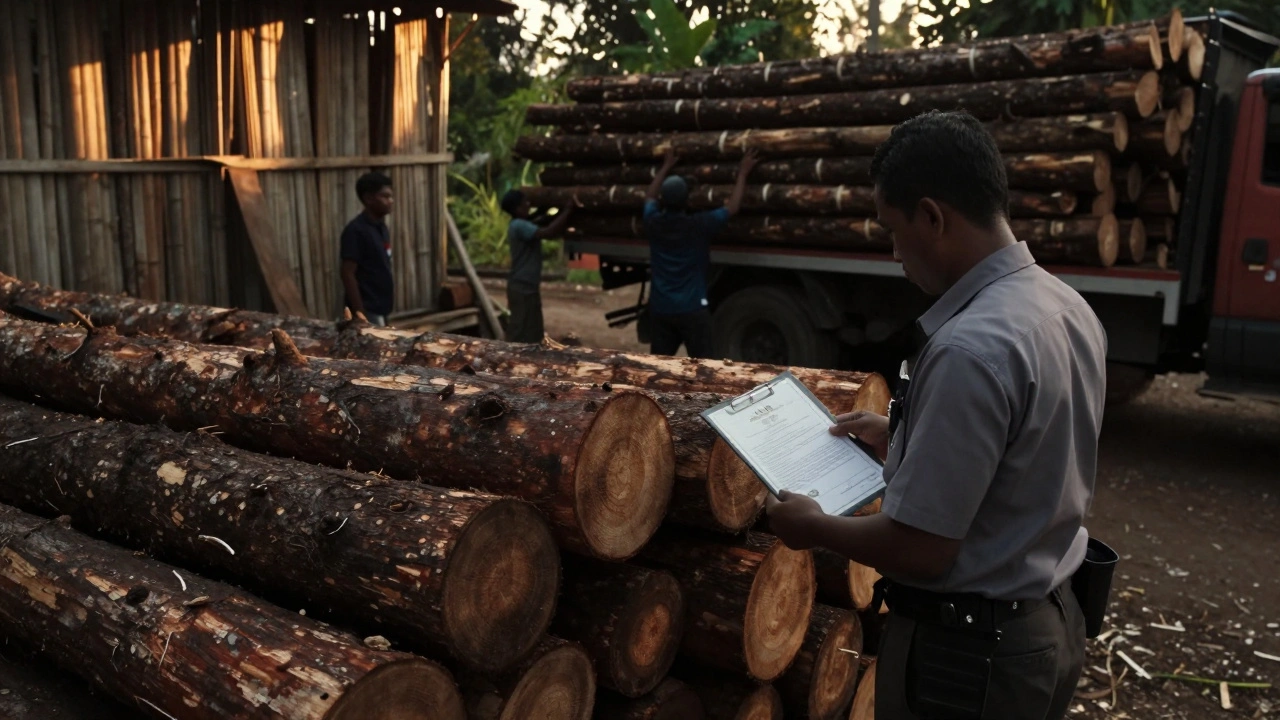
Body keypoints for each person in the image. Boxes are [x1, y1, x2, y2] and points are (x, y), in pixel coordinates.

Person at [765, 111, 1107, 720]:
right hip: (1049, 625)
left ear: (932, 216)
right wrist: (903, 441)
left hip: (970, 662)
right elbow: (1018, 462)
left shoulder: (969, 348)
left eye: (894, 231)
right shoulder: (1066, 307)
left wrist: (812, 528)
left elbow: (920, 550)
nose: (895, 252)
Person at [643, 148, 758, 358]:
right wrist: (742, 173)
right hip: (692, 309)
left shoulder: (653, 223)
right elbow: (732, 208)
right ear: (687, 200)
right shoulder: (699, 225)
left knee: (659, 364)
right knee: (703, 367)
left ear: (663, 201)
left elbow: (649, 197)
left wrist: (666, 166)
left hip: (661, 309)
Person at [500, 190, 575, 343]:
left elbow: (544, 220)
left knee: (532, 332)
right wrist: (568, 210)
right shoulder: (519, 225)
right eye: (525, 203)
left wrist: (555, 212)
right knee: (519, 331)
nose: (529, 205)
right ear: (517, 208)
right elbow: (547, 232)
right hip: (522, 286)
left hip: (526, 286)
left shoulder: (521, 224)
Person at [340, 173, 395, 326]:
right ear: (369, 199)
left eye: (391, 196)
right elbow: (347, 273)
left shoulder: (380, 228)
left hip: (381, 306)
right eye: (385, 196)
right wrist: (360, 313)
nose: (390, 201)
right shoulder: (356, 231)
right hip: (367, 309)